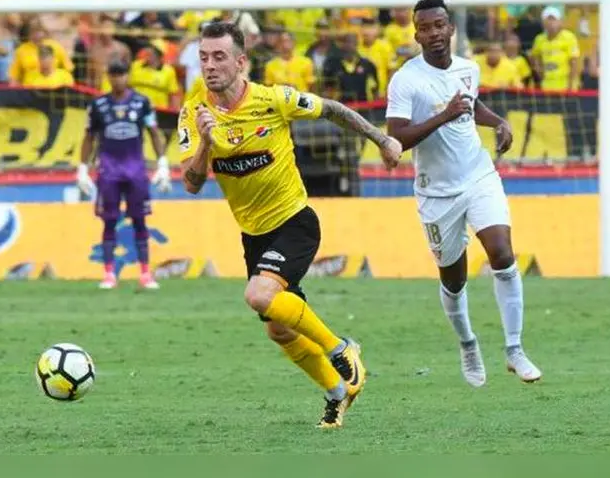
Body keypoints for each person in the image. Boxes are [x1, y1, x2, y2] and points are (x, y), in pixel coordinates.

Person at [177, 21, 402, 429]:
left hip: (295, 221)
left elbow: (332, 109)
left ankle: (341, 348)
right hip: (253, 234)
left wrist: (381, 139)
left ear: (241, 62)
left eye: (219, 57)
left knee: (259, 295)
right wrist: (206, 145)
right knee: (279, 331)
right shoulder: (194, 114)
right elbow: (191, 184)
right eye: (204, 57)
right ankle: (338, 391)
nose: (210, 66)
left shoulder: (273, 99)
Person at [385, 0, 542, 388]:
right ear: (416, 33)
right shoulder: (407, 79)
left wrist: (497, 122)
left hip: (478, 175)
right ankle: (468, 343)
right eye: (425, 27)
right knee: (454, 280)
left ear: (450, 28)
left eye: (440, 25)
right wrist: (443, 116)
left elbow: (470, 106)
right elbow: (395, 139)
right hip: (436, 193)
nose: (434, 33)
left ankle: (514, 349)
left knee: (503, 254)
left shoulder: (468, 69)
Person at [77, 61, 172, 291]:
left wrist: (163, 163)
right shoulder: (98, 105)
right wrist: (82, 168)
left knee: (140, 220)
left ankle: (145, 273)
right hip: (108, 171)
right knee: (109, 220)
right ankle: (109, 273)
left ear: (128, 76)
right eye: (114, 74)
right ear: (108, 76)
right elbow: (89, 137)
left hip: (135, 170)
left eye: (121, 74)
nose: (118, 79)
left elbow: (154, 133)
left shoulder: (141, 102)